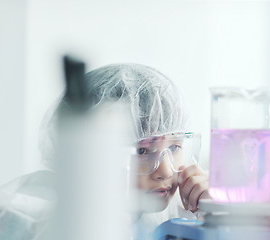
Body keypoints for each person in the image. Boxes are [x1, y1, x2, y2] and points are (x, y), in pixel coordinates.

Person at [40, 63, 211, 239]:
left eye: (174, 147)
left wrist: (216, 217)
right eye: (142, 151)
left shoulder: (177, 212)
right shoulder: (43, 218)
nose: (166, 172)